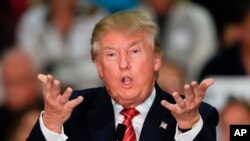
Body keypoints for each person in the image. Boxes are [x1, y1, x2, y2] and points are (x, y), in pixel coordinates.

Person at [27, 11, 219, 141]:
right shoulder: (71, 113)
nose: (123, 64)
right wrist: (51, 125)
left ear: (156, 60)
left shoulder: (196, 116)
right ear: (99, 67)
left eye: (134, 51)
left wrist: (187, 127)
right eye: (111, 55)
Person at [0, 47, 42, 141]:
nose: (12, 90)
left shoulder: (51, 113)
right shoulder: (2, 114)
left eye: (19, 81)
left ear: (35, 81)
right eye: (8, 82)